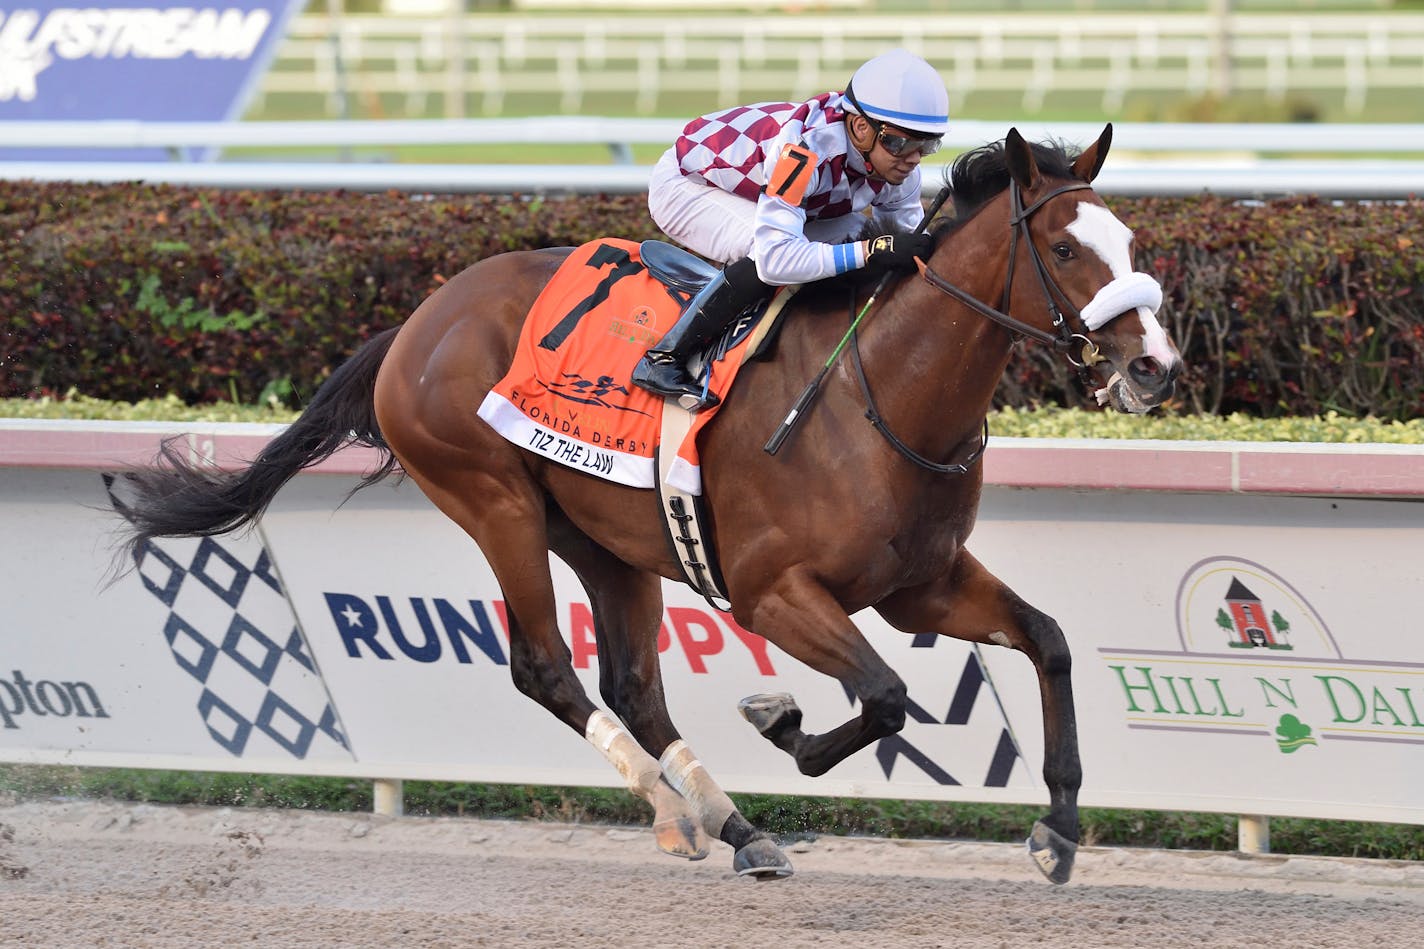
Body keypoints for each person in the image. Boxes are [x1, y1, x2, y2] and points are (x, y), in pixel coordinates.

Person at [633, 47, 950, 409]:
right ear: (861, 127)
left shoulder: (898, 166)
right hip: (688, 186)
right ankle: (663, 358)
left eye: (927, 145)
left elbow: (907, 246)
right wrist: (869, 251)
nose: (913, 158)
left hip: (767, 189)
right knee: (767, 249)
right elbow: (775, 260)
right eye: (900, 142)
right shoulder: (801, 152)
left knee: (849, 247)